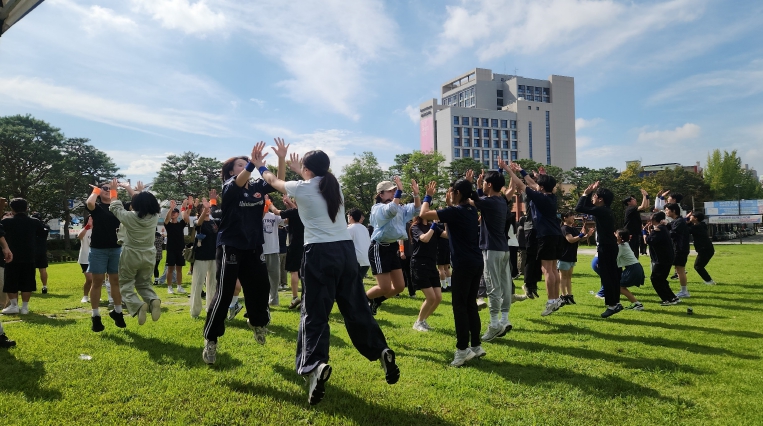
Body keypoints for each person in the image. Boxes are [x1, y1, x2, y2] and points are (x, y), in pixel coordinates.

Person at [253, 140, 399, 405]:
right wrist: (300, 169)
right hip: (345, 253)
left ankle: (315, 366)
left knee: (314, 314)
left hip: (319, 254)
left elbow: (273, 181)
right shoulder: (334, 185)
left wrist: (261, 165)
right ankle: (381, 350)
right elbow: (313, 182)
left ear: (308, 170)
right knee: (356, 308)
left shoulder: (303, 188)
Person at [202, 141, 285, 365]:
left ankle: (257, 323)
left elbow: (278, 182)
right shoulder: (230, 186)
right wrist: (252, 164)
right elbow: (240, 179)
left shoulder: (257, 187)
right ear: (232, 171)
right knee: (224, 292)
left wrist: (281, 158)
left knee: (260, 288)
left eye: (246, 164)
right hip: (231, 245)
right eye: (240, 164)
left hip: (254, 245)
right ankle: (211, 339)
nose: (245, 166)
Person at [419, 179, 485, 366]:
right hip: (476, 263)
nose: (449, 194)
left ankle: (462, 350)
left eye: (451, 191)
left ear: (457, 192)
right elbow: (450, 230)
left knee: (460, 307)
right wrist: (450, 205)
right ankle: (476, 346)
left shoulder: (456, 211)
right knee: (470, 305)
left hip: (463, 265)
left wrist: (428, 196)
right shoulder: (471, 210)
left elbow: (423, 213)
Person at [501, 160, 564, 316]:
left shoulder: (540, 197)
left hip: (546, 235)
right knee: (553, 269)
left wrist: (509, 170)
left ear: (541, 187)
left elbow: (521, 185)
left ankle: (551, 301)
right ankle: (556, 299)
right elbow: (531, 182)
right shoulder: (551, 196)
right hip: (556, 234)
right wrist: (521, 170)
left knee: (547, 269)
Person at [469, 169, 516, 341]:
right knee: (505, 286)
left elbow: (471, 200)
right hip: (503, 249)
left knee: (493, 287)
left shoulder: (488, 202)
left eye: (483, 182)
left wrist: (470, 184)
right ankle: (504, 319)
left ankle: (495, 323)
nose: (482, 184)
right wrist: (478, 187)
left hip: (492, 250)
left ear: (489, 184)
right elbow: (480, 199)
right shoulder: (502, 201)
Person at [109, 180, 162, 325]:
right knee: (144, 283)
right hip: (149, 253)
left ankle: (138, 306)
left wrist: (113, 190)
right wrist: (134, 190)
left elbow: (115, 207)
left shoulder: (129, 217)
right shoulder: (154, 217)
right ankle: (153, 300)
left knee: (126, 284)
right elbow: (143, 203)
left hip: (131, 253)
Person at [366, 177, 421, 314]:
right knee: (384, 287)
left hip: (392, 247)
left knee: (399, 286)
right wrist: (400, 191)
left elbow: (416, 210)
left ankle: (376, 301)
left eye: (394, 191)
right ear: (381, 194)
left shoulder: (399, 207)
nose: (394, 193)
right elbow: (390, 211)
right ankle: (358, 301)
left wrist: (416, 195)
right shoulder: (377, 208)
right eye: (390, 191)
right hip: (379, 247)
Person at [575, 181, 623, 318]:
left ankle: (613, 305)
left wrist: (585, 193)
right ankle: (615, 303)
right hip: (610, 246)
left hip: (606, 247)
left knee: (608, 276)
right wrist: (590, 193)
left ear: (601, 199)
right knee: (612, 276)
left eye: (595, 196)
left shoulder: (602, 210)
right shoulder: (604, 210)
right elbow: (588, 207)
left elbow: (579, 208)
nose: (592, 198)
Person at [1, 198, 46, 315]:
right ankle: (25, 307)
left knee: (11, 281)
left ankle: (14, 305)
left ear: (12, 209)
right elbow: (42, 235)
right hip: (29, 255)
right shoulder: (34, 222)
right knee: (28, 282)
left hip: (11, 255)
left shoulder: (6, 222)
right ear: (26, 208)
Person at [408, 215, 447, 331]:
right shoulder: (415, 227)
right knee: (431, 297)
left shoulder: (432, 226)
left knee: (438, 297)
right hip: (419, 264)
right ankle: (418, 322)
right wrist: (434, 225)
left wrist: (447, 223)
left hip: (431, 264)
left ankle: (423, 321)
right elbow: (425, 239)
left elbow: (447, 235)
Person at [270, 196, 305, 310]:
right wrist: (288, 203)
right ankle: (305, 299)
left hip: (294, 245)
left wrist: (268, 203)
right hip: (306, 244)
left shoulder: (294, 212)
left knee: (294, 271)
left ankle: (295, 297)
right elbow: (293, 212)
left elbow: (276, 212)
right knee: (304, 273)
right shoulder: (306, 212)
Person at [190, 193, 219, 319]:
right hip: (201, 257)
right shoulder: (198, 221)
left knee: (213, 284)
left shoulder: (214, 222)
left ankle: (210, 308)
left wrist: (213, 203)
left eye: (207, 208)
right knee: (198, 283)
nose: (207, 210)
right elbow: (199, 222)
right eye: (203, 208)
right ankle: (195, 311)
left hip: (214, 257)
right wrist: (205, 209)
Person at [558, 211, 594, 306]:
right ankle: (563, 296)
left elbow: (580, 239)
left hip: (572, 256)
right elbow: (570, 240)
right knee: (563, 277)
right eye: (571, 216)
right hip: (564, 256)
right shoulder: (564, 228)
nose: (573, 217)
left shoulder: (573, 228)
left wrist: (587, 235)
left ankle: (569, 295)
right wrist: (581, 234)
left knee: (569, 277)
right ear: (565, 218)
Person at [645, 212, 680, 305]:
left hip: (662, 259)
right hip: (667, 257)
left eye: (651, 219)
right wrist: (650, 231)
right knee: (662, 279)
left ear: (655, 220)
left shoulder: (658, 229)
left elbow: (649, 240)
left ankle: (667, 299)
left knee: (655, 279)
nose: (649, 221)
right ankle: (672, 297)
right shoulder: (663, 228)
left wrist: (645, 232)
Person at [163, 198, 191, 295]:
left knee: (179, 269)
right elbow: (166, 219)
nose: (173, 214)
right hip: (171, 249)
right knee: (170, 268)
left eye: (175, 212)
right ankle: (169, 287)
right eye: (172, 212)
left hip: (180, 249)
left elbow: (186, 217)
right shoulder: (168, 225)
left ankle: (179, 286)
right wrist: (171, 208)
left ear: (178, 214)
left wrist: (187, 206)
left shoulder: (181, 224)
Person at [262, 198, 286, 306]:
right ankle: (262, 300)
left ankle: (273, 300)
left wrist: (288, 205)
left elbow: (287, 220)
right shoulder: (256, 214)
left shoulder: (274, 216)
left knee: (275, 278)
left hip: (273, 250)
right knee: (261, 278)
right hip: (260, 251)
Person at [616, 229, 645, 310]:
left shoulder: (621, 247)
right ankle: (635, 304)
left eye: (616, 234)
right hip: (635, 267)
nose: (614, 235)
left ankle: (637, 304)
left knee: (620, 287)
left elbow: (614, 259)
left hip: (633, 269)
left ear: (620, 237)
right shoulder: (625, 244)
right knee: (620, 286)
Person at [665, 203, 690, 298]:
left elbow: (673, 233)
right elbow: (669, 227)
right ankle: (683, 291)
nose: (666, 212)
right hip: (678, 248)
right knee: (678, 269)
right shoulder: (676, 221)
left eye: (667, 210)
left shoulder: (679, 221)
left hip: (680, 249)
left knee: (680, 270)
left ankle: (684, 291)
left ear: (674, 211)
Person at [687, 211, 715, 285]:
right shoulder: (701, 225)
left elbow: (686, 230)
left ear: (695, 218)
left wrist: (685, 219)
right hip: (706, 249)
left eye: (691, 216)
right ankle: (709, 281)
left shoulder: (697, 227)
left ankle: (709, 281)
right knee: (699, 266)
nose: (690, 217)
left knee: (698, 266)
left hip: (705, 250)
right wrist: (687, 220)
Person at [347, 208, 372, 291]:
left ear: (351, 217)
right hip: (366, 260)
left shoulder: (350, 229)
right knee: (358, 281)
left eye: (348, 216)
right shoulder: (364, 228)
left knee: (351, 283)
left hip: (357, 260)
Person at [622, 189, 649, 257]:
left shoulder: (634, 209)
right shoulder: (630, 209)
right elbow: (643, 206)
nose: (635, 200)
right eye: (633, 199)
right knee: (631, 252)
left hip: (635, 234)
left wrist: (647, 196)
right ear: (628, 202)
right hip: (630, 234)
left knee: (635, 251)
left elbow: (646, 206)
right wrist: (644, 195)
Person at [31, 213, 50, 294]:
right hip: (42, 250)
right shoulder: (45, 227)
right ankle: (44, 286)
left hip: (32, 250)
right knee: (43, 269)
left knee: (31, 270)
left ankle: (31, 287)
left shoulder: (31, 227)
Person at [78, 217, 93, 303]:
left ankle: (94, 295)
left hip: (97, 257)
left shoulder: (99, 230)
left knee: (96, 279)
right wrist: (87, 226)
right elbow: (79, 236)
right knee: (89, 279)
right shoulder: (84, 230)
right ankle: (85, 296)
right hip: (85, 258)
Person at [436, 223, 451, 292]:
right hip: (447, 246)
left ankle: (444, 286)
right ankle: (450, 285)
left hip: (440, 248)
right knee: (447, 267)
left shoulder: (437, 226)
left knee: (440, 268)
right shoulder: (445, 224)